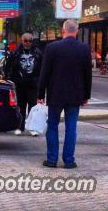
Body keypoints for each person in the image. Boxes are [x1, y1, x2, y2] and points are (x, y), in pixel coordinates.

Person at [37, 19, 92, 169]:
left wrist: (40, 93)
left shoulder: (52, 48)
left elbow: (45, 73)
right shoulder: (84, 48)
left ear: (63, 30)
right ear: (77, 31)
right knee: (71, 127)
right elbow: (87, 75)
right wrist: (86, 95)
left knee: (53, 125)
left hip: (56, 94)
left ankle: (52, 159)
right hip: (75, 95)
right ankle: (69, 160)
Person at [4, 32, 43, 136]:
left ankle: (32, 128)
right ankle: (20, 127)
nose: (28, 43)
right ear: (22, 41)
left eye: (30, 41)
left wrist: (40, 80)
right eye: (26, 40)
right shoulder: (15, 53)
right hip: (19, 84)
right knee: (21, 106)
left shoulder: (37, 52)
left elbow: (42, 67)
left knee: (33, 106)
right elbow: (7, 66)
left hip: (33, 83)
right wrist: (7, 78)